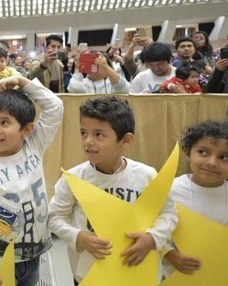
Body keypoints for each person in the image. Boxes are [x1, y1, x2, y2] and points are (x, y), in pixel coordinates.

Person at [47, 96, 177, 285]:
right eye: (84, 133)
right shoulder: (73, 178)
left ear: (125, 140)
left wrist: (152, 238)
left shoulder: (146, 175)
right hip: (88, 274)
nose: (88, 141)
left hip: (135, 272)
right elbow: (54, 217)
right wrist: (79, 236)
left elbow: (168, 213)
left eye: (99, 135)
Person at [0, 75, 64, 286]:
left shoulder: (33, 145)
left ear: (27, 130)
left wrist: (22, 81)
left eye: (5, 122)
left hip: (33, 253)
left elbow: (55, 107)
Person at [162, 120, 228, 277]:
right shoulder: (169, 189)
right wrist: (171, 255)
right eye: (203, 152)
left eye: (224, 157)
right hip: (174, 276)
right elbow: (151, 227)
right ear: (188, 151)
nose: (212, 163)